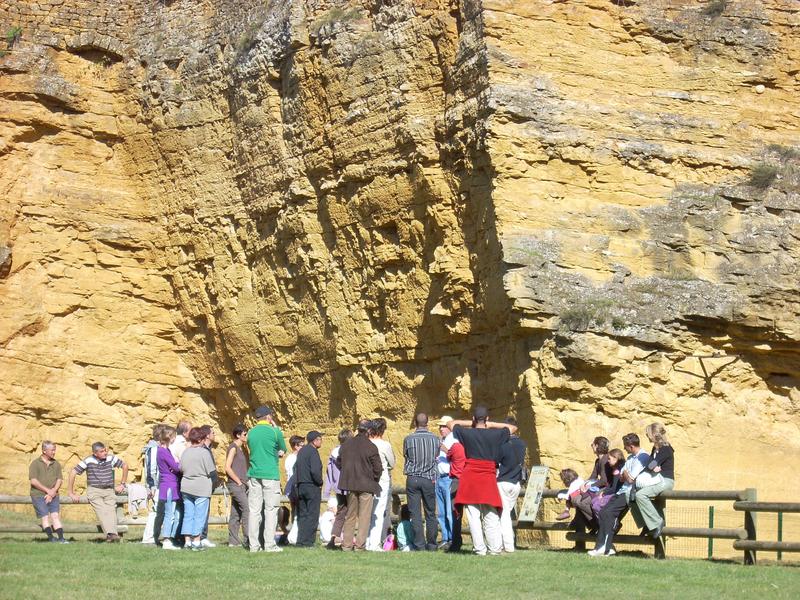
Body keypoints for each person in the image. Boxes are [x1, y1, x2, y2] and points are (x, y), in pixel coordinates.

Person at [446, 407, 516, 556]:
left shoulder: (467, 432)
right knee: (491, 515)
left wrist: (471, 423)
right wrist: (490, 425)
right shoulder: (495, 434)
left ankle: (480, 549)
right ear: (487, 419)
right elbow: (512, 428)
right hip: (488, 477)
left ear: (473, 419)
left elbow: (451, 423)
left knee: (473, 516)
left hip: (470, 476)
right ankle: (495, 549)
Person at [588, 433, 650, 557]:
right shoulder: (631, 458)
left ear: (631, 446)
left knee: (609, 514)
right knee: (604, 512)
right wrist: (626, 475)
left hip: (629, 492)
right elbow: (622, 477)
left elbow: (630, 478)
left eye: (625, 446)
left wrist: (626, 475)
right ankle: (602, 547)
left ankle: (605, 546)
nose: (624, 449)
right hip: (622, 491)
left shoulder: (643, 457)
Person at [68, 442, 127, 542]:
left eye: (105, 450)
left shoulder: (111, 458)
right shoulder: (88, 460)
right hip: (94, 490)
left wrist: (122, 484)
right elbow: (73, 472)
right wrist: (70, 492)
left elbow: (125, 466)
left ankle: (111, 536)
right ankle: (112, 534)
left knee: (111, 511)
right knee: (103, 510)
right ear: (95, 453)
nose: (105, 453)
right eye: (102, 451)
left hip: (109, 490)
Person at [338, 419, 382, 551]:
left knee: (350, 516)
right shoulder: (371, 446)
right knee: (364, 517)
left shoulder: (346, 444)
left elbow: (339, 462)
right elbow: (378, 468)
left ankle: (346, 545)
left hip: (351, 485)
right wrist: (374, 479)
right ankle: (359, 546)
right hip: (366, 485)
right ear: (369, 431)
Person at [247, 405, 287, 553]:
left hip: (254, 474)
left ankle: (254, 545)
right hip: (270, 474)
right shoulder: (274, 431)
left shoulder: (250, 432)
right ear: (269, 417)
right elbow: (283, 449)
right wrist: (275, 427)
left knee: (254, 510)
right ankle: (269, 544)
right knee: (271, 510)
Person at [631, 423, 675, 539]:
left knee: (641, 495)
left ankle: (656, 522)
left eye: (648, 433)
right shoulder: (655, 449)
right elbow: (650, 466)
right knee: (629, 495)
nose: (647, 435)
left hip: (665, 480)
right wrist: (653, 465)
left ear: (654, 434)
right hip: (655, 479)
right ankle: (647, 523)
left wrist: (653, 465)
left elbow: (651, 465)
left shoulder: (666, 449)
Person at [403, 412, 439, 551]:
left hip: (413, 477)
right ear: (427, 422)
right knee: (430, 512)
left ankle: (419, 544)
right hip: (429, 478)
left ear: (415, 423)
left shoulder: (408, 439)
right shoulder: (435, 439)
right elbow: (436, 456)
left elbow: (406, 456)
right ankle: (432, 544)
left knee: (415, 513)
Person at [180, 427, 218, 551]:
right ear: (201, 439)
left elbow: (181, 468)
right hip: (201, 487)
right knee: (199, 515)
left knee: (188, 515)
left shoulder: (186, 452)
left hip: (186, 487)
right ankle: (196, 541)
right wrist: (213, 484)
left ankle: (187, 541)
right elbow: (212, 472)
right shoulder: (204, 452)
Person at [497, 416, 527, 552]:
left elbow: (496, 462)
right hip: (516, 483)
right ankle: (506, 543)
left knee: (503, 516)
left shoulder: (502, 444)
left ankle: (507, 545)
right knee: (507, 514)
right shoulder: (522, 443)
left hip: (503, 481)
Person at [29, 441, 67, 543]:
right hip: (38, 495)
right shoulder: (35, 464)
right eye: (52, 450)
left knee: (55, 516)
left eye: (55, 450)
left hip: (54, 494)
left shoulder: (56, 463)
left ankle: (61, 539)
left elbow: (59, 479)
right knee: (45, 517)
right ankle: (51, 539)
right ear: (44, 451)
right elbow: (33, 481)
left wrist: (53, 491)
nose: (54, 452)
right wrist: (48, 491)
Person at [366, 418, 396, 551]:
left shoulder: (366, 443)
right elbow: (392, 463)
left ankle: (366, 541)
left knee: (366, 511)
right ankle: (374, 543)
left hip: (366, 480)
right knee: (378, 512)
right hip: (382, 481)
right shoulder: (385, 445)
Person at [323, 428, 352, 549]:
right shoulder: (350, 452)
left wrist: (328, 489)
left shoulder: (334, 453)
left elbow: (329, 472)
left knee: (340, 513)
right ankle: (348, 541)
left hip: (339, 488)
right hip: (350, 486)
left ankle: (333, 539)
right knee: (352, 514)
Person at [295, 430, 324, 547]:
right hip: (311, 486)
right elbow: (315, 470)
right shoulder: (313, 452)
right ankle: (308, 542)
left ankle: (301, 540)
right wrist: (320, 482)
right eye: (320, 439)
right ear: (315, 440)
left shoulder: (302, 451)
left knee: (303, 514)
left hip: (300, 485)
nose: (321, 441)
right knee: (312, 515)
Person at [155, 426, 182, 550]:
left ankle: (169, 538)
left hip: (170, 483)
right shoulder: (163, 451)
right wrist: (176, 464)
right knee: (169, 513)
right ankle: (166, 539)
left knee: (173, 513)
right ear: (169, 437)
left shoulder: (164, 451)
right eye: (174, 436)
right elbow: (176, 467)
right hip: (169, 484)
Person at [225, 423, 249, 549]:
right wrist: (239, 482)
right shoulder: (233, 447)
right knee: (247, 509)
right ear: (238, 435)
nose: (247, 436)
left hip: (241, 484)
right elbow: (227, 467)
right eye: (245, 434)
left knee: (235, 513)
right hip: (236, 485)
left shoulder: (241, 448)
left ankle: (233, 541)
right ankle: (248, 539)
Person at [445, 426, 466, 552]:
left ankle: (456, 542)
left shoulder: (456, 446)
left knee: (456, 513)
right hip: (468, 480)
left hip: (457, 481)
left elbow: (448, 456)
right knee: (474, 513)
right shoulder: (469, 446)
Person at [141, 424, 163, 544]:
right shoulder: (153, 449)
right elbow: (151, 469)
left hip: (159, 485)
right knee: (155, 511)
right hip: (156, 486)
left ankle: (153, 537)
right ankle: (148, 538)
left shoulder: (156, 448)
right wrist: (152, 486)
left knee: (159, 512)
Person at [435, 416, 454, 549]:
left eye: (444, 426)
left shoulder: (454, 439)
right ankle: (445, 537)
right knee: (441, 512)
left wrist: (444, 449)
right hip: (439, 478)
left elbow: (456, 457)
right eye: (440, 426)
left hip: (449, 478)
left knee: (449, 512)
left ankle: (453, 538)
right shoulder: (442, 440)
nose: (441, 429)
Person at [284, 434, 305, 544]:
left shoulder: (292, 458)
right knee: (297, 512)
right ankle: (295, 535)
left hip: (293, 488)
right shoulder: (292, 458)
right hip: (294, 488)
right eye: (301, 445)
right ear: (296, 446)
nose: (303, 447)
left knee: (297, 511)